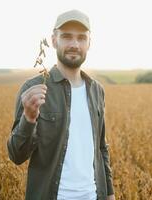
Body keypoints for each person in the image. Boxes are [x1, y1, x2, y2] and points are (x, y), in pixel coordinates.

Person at [7, 9, 115, 200]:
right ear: (54, 40)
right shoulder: (33, 88)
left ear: (90, 43)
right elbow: (16, 155)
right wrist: (29, 118)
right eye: (66, 36)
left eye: (81, 38)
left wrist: (109, 194)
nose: (74, 44)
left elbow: (101, 147)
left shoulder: (96, 90)